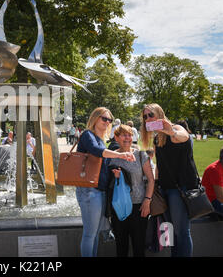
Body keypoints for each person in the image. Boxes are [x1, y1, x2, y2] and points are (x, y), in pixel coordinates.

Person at [76, 107, 136, 257]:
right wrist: (120, 155)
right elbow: (96, 151)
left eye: (109, 119)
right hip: (89, 190)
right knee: (90, 234)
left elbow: (105, 163)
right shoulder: (87, 135)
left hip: (99, 190)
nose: (107, 122)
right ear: (95, 118)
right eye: (104, 118)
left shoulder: (101, 140)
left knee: (95, 233)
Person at [140, 103, 197, 257]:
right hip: (165, 188)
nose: (147, 118)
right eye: (145, 116)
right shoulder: (158, 138)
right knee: (171, 230)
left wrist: (170, 130)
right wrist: (156, 186)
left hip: (180, 189)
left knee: (182, 231)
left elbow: (183, 137)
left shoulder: (177, 129)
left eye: (150, 115)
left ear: (159, 114)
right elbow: (159, 165)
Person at [107, 125, 155, 257]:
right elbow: (107, 184)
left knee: (139, 248)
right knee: (121, 248)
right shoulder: (112, 157)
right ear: (116, 137)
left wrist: (147, 201)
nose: (127, 138)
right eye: (123, 135)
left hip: (139, 207)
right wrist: (115, 177)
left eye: (129, 135)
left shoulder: (140, 155)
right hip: (119, 208)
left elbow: (151, 180)